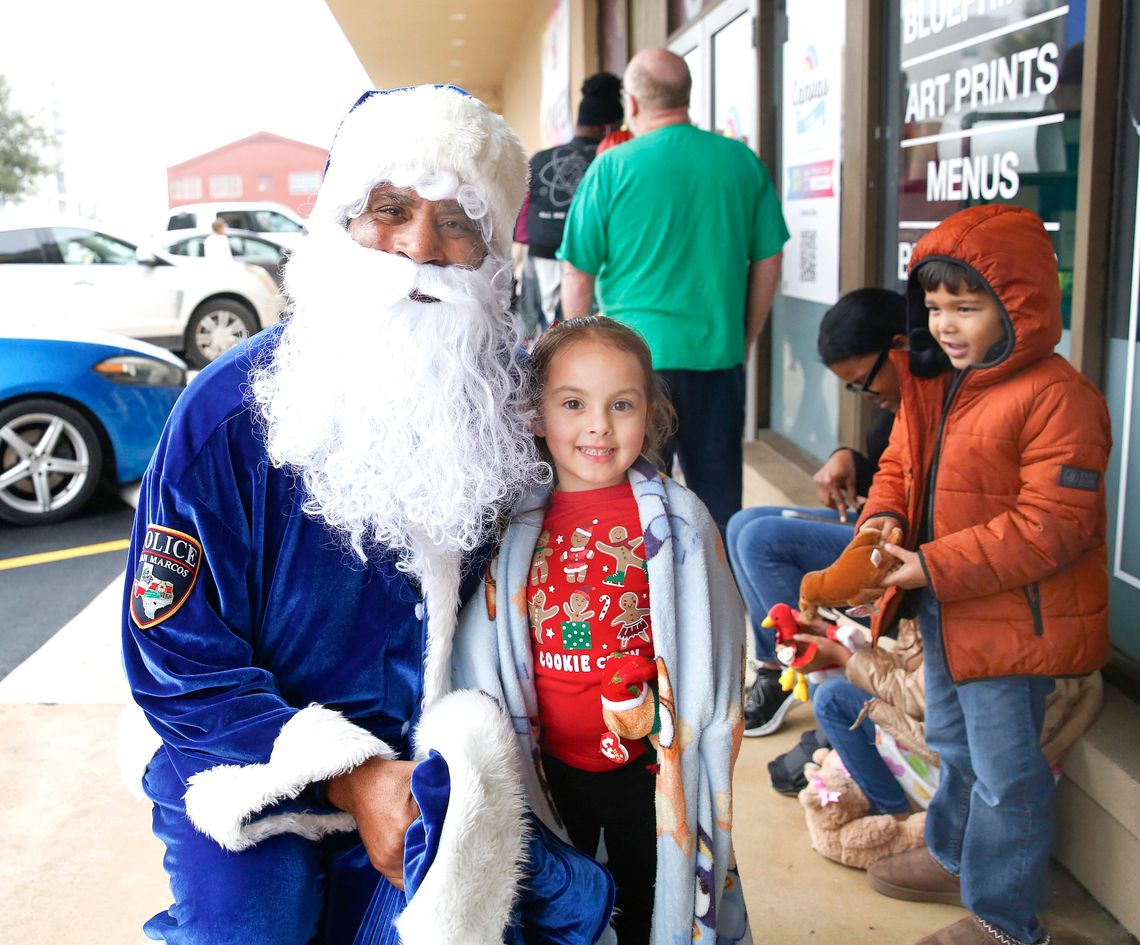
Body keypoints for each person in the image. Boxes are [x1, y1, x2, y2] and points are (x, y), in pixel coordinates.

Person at [119, 84, 601, 945]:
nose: (419, 247)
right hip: (246, 753)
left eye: (457, 220)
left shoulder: (514, 398)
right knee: (258, 928)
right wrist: (352, 776)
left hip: (438, 763)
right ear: (339, 221)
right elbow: (174, 657)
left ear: (490, 251)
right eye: (390, 208)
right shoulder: (225, 412)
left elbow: (606, 518)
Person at [452, 316, 751, 945]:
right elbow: (486, 645)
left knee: (649, 896)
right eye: (572, 403)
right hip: (547, 765)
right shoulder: (508, 528)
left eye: (621, 404)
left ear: (650, 412)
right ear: (536, 415)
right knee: (563, 903)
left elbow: (714, 645)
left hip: (648, 768)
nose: (598, 425)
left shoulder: (683, 524)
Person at [861, 204, 1111, 945]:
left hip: (1013, 625)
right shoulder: (937, 384)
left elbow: (1053, 525)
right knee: (953, 742)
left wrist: (930, 562)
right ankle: (955, 856)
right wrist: (882, 518)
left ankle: (1005, 918)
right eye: (935, 307)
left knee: (1008, 773)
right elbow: (899, 466)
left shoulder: (1060, 397)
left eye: (966, 308)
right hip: (945, 604)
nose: (945, 324)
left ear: (1018, 305)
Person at [559, 48, 788, 536]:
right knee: (716, 502)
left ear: (633, 103)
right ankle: (718, 603)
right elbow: (769, 260)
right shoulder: (740, 162)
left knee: (631, 500)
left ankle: (639, 605)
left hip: (631, 368)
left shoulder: (612, 168)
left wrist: (573, 361)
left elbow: (578, 274)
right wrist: (743, 338)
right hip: (716, 360)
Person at [727, 288, 907, 736]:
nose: (865, 395)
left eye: (864, 381)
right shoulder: (896, 403)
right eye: (851, 387)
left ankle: (802, 661)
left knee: (759, 539)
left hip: (911, 552)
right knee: (742, 523)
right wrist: (852, 460)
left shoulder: (932, 405)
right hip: (880, 527)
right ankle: (775, 665)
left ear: (901, 347)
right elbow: (894, 477)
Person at [524, 72, 624, 330]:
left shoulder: (540, 159)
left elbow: (521, 212)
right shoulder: (610, 161)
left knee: (548, 336)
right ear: (610, 128)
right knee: (586, 334)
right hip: (587, 264)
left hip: (540, 258)